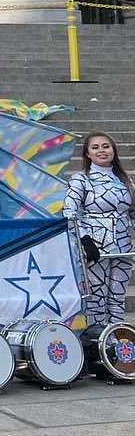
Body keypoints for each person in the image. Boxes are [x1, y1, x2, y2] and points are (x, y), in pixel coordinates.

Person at [66, 133, 134, 325]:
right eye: (95, 147)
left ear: (113, 150)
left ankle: (116, 341)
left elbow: (133, 212)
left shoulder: (124, 180)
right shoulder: (80, 179)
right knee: (96, 298)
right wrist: (85, 241)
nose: (101, 151)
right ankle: (97, 341)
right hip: (95, 249)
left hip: (123, 248)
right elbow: (69, 213)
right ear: (87, 153)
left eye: (106, 146)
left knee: (117, 298)